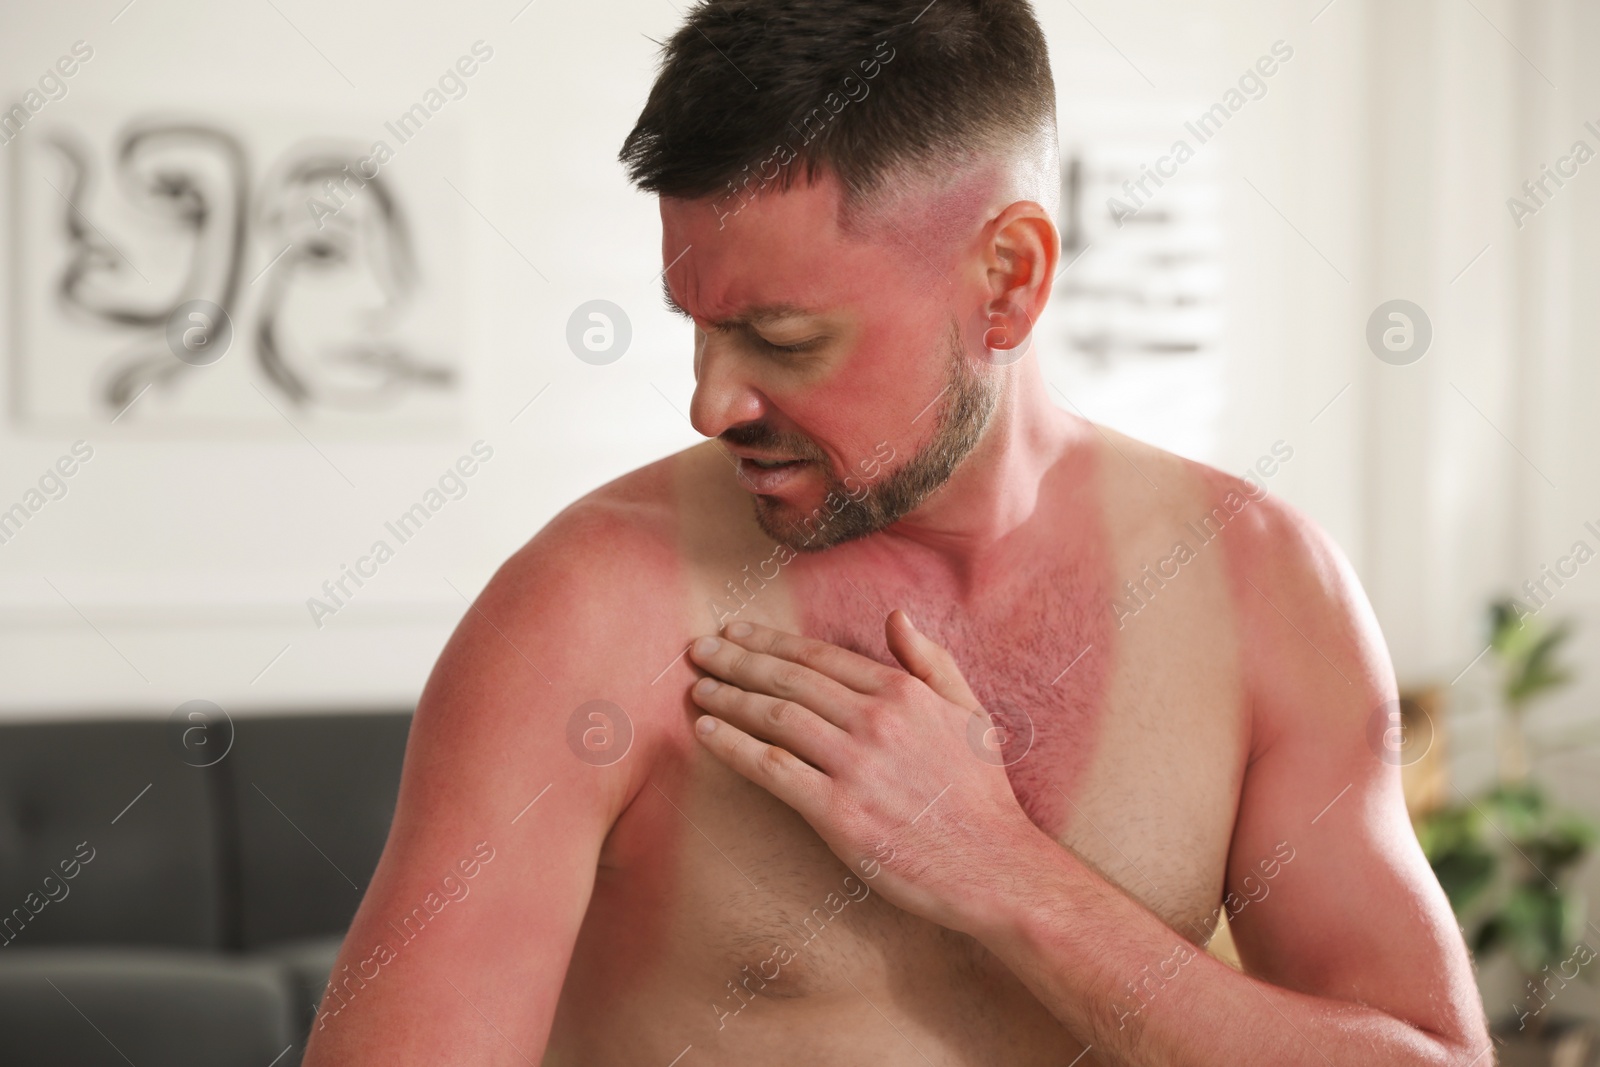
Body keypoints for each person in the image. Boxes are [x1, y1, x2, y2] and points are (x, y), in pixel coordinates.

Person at [303, 1, 1489, 1063]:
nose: (712, 400)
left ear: (1009, 280)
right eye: (696, 326)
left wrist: (999, 869)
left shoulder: (1260, 587)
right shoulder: (587, 610)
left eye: (781, 338)